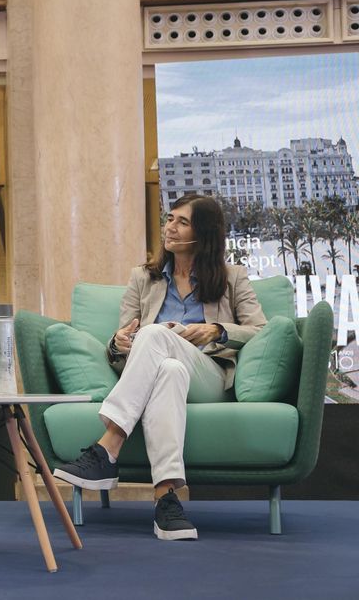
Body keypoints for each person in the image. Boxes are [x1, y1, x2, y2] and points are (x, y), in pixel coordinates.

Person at [52, 194, 266, 541]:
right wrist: (117, 342)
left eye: (182, 222)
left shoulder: (232, 277)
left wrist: (218, 330)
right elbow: (123, 336)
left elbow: (261, 329)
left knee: (156, 335)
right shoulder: (143, 278)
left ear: (204, 232)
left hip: (208, 373)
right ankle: (167, 498)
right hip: (165, 371)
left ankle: (108, 446)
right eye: (169, 219)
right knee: (167, 367)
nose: (170, 227)